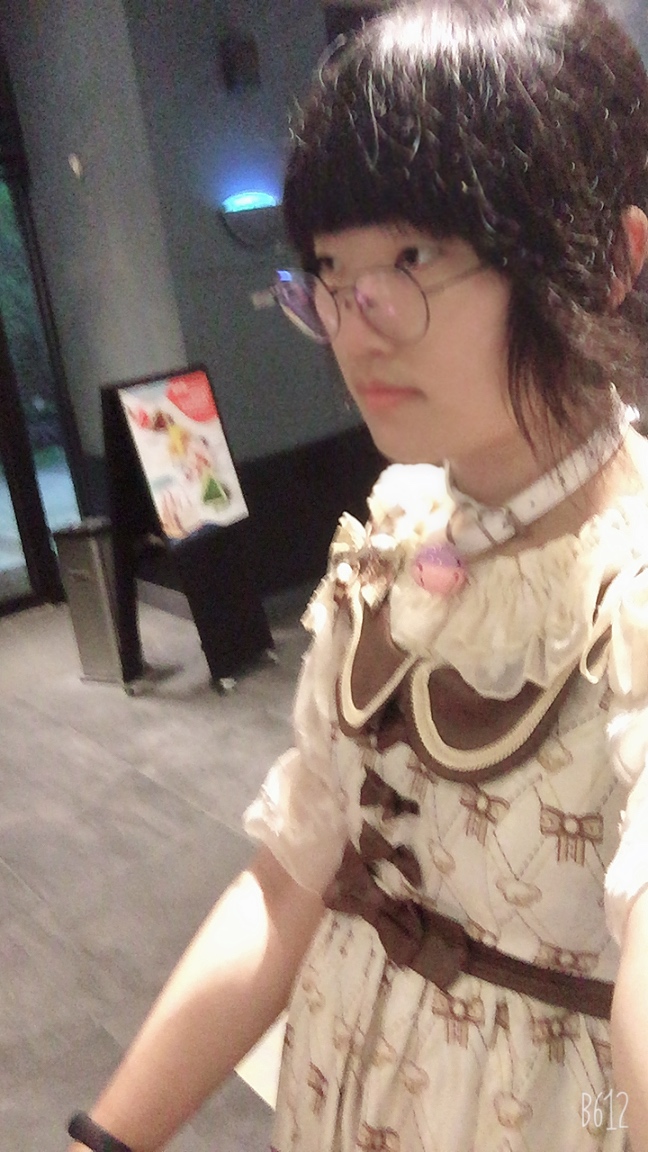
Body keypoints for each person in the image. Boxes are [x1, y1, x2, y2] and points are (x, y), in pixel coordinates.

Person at [67, 1, 648, 1149]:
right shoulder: (394, 532)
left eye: (413, 258)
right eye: (331, 269)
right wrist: (109, 1138)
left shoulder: (628, 598)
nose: (353, 326)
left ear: (611, 261)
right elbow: (292, 880)